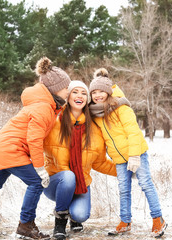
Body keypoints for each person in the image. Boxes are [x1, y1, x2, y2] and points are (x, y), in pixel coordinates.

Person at [0, 57, 71, 239]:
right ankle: (26, 225)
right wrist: (40, 168)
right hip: (11, 149)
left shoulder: (46, 105)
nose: (69, 91)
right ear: (55, 88)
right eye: (66, 87)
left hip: (1, 147)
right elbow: (34, 139)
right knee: (36, 182)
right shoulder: (43, 108)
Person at [88, 68, 167, 238]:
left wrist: (134, 156)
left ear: (108, 92)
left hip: (136, 153)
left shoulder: (122, 108)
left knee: (145, 184)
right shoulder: (96, 113)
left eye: (101, 91)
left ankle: (157, 219)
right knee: (123, 189)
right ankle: (125, 221)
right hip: (119, 159)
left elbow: (133, 133)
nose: (98, 95)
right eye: (94, 92)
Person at [43, 80, 117, 240]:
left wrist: (123, 171)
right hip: (54, 183)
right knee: (68, 176)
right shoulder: (53, 121)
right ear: (68, 96)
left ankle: (73, 216)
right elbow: (32, 141)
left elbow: (100, 162)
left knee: (81, 214)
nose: (80, 96)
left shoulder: (94, 130)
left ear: (88, 100)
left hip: (81, 183)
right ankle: (60, 222)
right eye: (75, 92)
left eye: (84, 93)